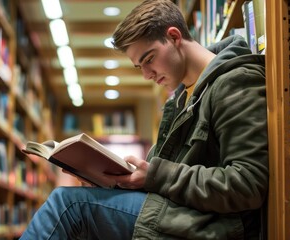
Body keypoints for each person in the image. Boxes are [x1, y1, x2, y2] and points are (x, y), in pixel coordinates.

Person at [20, 0, 268, 239]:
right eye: (140, 67)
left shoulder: (234, 81)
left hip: (208, 226)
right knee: (78, 212)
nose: (147, 75)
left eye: (149, 59)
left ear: (174, 36)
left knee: (66, 205)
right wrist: (108, 180)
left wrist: (155, 176)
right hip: (177, 214)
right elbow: (161, 179)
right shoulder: (180, 100)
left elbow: (248, 183)